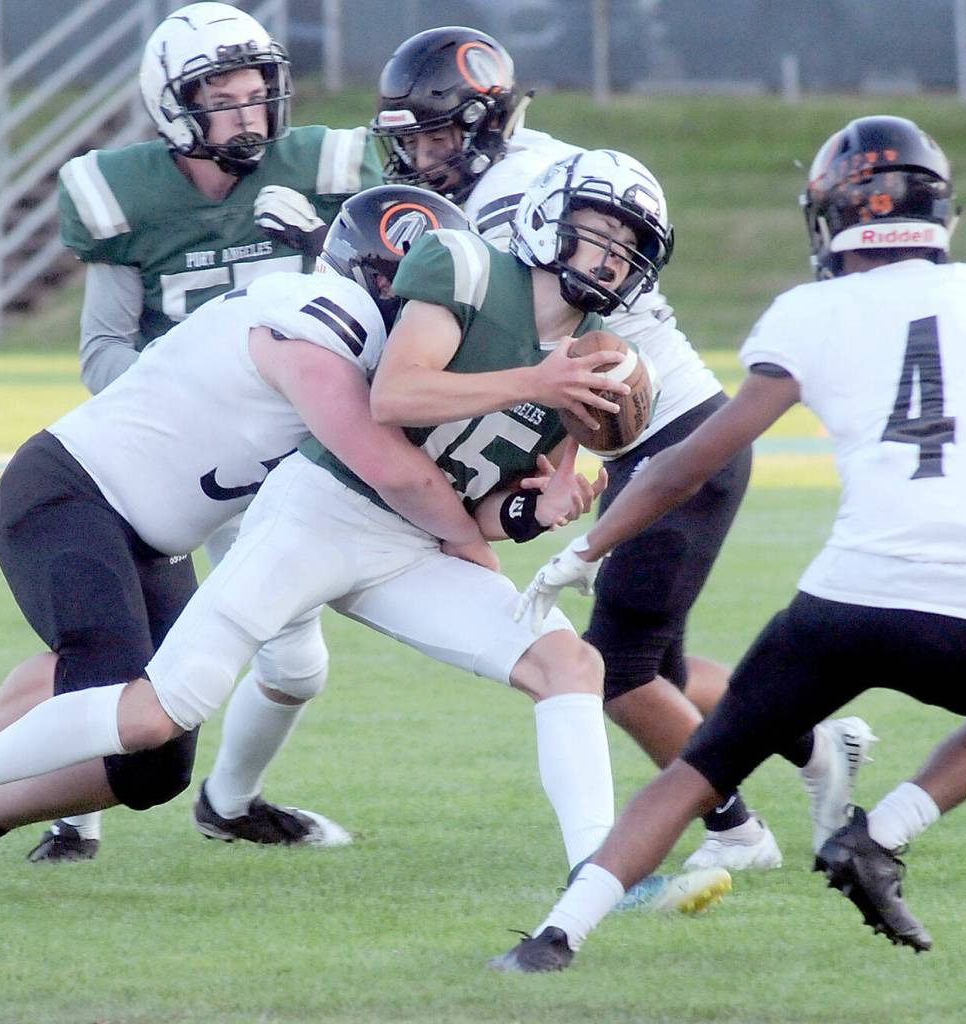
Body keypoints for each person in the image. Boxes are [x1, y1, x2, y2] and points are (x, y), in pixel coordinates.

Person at [0, 151, 732, 916]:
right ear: (549, 217)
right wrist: (532, 388)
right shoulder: (465, 265)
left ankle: (599, 872)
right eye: (598, 232)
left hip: (409, 544)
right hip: (320, 513)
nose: (611, 257)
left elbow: (472, 502)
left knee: (566, 663)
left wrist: (531, 512)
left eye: (629, 245)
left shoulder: (596, 360)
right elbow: (395, 396)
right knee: (156, 714)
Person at [362, 26, 877, 871]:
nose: (419, 154)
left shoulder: (516, 189)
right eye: (408, 136)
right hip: (637, 427)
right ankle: (813, 744)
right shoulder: (514, 168)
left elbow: (545, 336)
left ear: (483, 123)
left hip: (667, 435)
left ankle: (734, 832)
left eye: (434, 133)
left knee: (619, 671)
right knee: (662, 661)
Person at [488, 114, 966, 971]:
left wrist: (583, 551)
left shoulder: (811, 310)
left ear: (831, 216)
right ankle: (880, 833)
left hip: (844, 600)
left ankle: (553, 937)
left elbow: (684, 463)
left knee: (696, 773)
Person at [0, 184, 487, 859]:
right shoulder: (323, 322)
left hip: (151, 539)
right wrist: (468, 544)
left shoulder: (347, 327)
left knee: (152, 766)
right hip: (72, 493)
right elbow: (392, 468)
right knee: (117, 699)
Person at [31, 0, 380, 861]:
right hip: (173, 460)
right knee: (123, 650)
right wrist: (187, 394)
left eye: (257, 93)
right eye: (221, 95)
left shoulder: (324, 173)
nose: (247, 113)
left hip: (283, 460)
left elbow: (386, 308)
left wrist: (332, 246)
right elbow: (105, 349)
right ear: (174, 103)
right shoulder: (126, 196)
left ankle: (231, 803)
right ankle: (72, 818)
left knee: (296, 668)